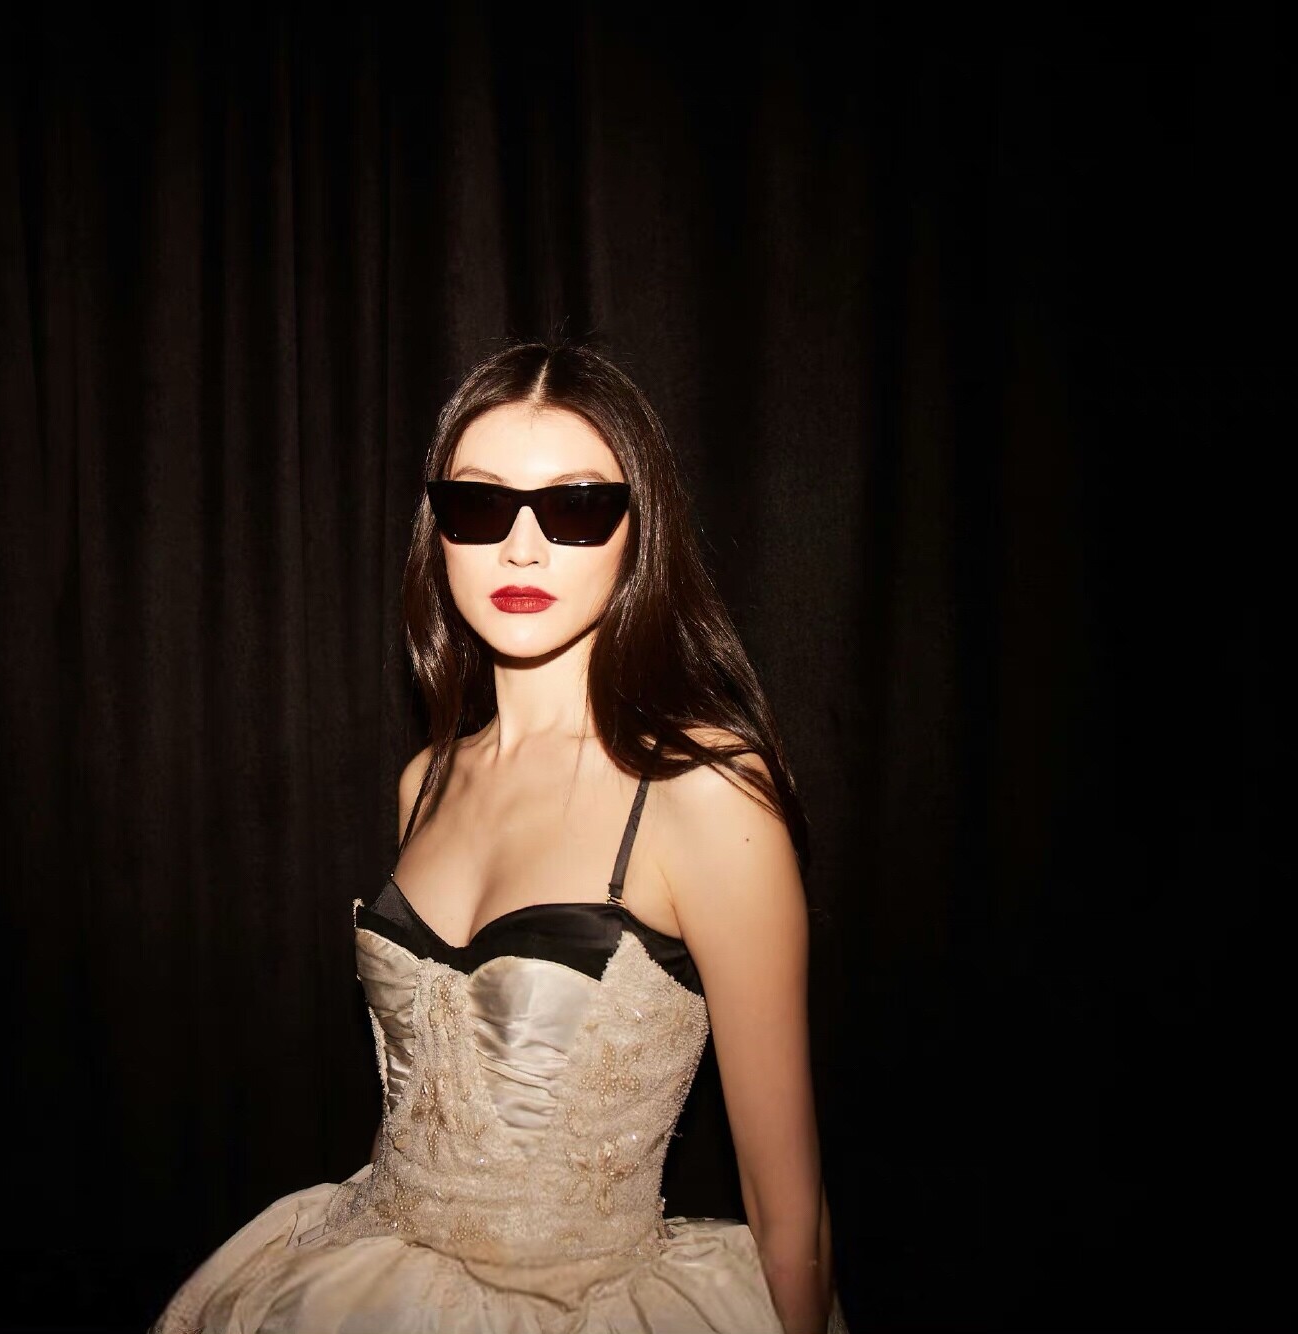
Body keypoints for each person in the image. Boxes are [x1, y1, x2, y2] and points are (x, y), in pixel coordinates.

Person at [152, 341, 846, 1333]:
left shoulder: (703, 791)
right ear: (437, 532)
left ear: (638, 530)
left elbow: (790, 1214)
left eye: (575, 507)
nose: (521, 548)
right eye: (479, 506)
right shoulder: (425, 781)